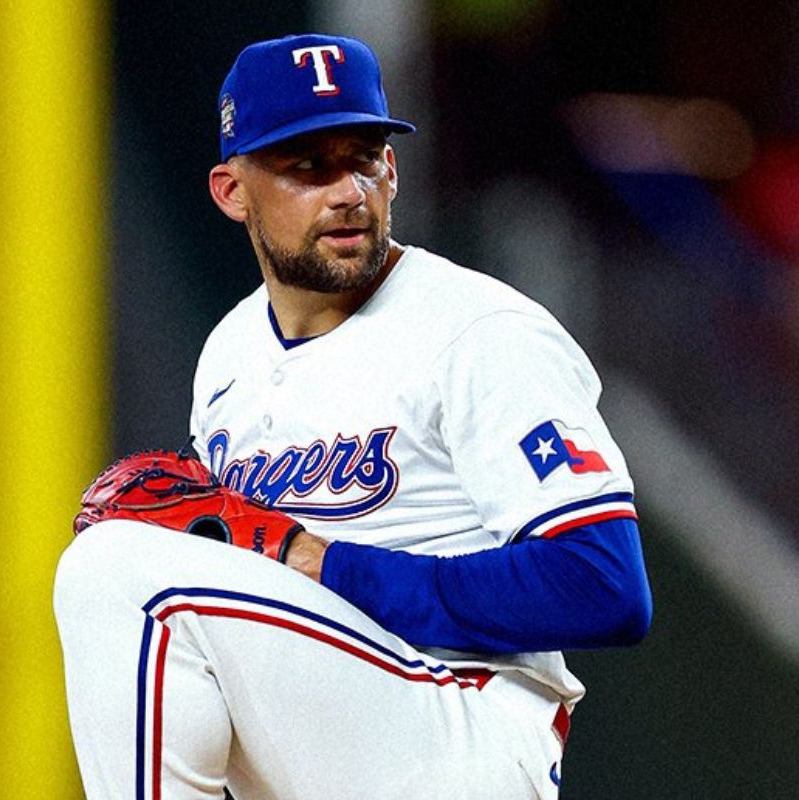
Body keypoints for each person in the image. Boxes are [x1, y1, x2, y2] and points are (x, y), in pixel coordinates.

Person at [55, 33, 652, 800]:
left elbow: (603, 587)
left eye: (363, 157)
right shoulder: (229, 353)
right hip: (336, 734)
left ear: (393, 170)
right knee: (128, 570)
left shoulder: (479, 331)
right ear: (232, 192)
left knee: (114, 572)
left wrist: (321, 561)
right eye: (308, 166)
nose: (347, 191)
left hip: (463, 728)